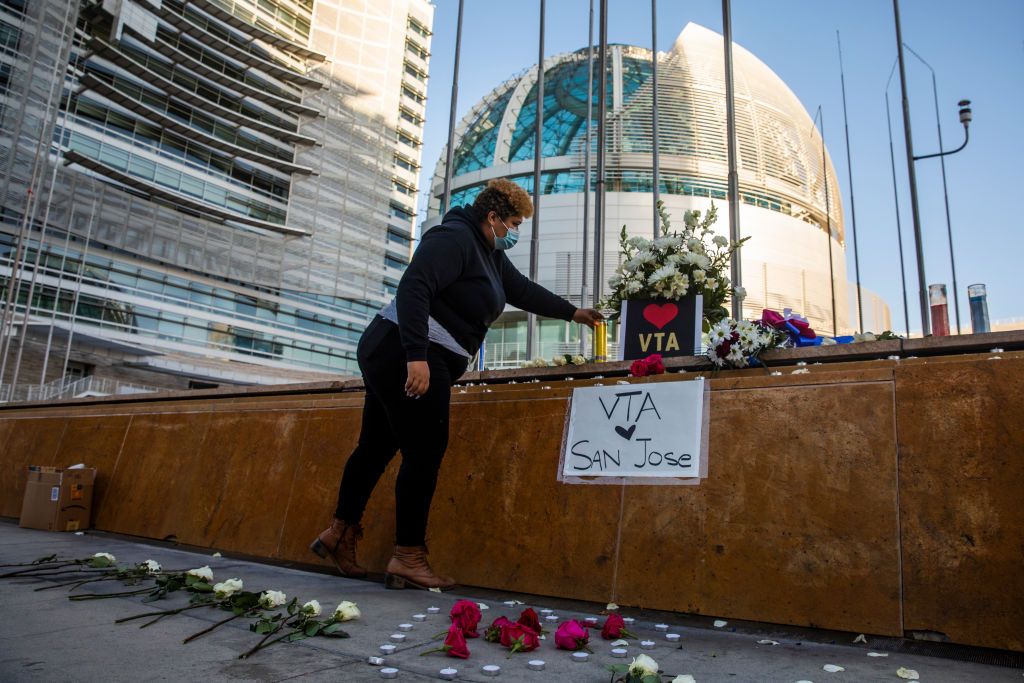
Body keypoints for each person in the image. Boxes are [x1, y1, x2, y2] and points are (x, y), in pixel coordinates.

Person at [310, 178, 603, 590]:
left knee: (376, 447)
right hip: (408, 350)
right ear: (493, 217)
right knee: (425, 451)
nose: (516, 232)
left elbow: (522, 291)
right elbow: (414, 287)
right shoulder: (454, 238)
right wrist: (416, 356)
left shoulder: (489, 254)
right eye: (514, 223)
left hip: (393, 348)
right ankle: (408, 556)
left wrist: (574, 313)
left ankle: (339, 533)